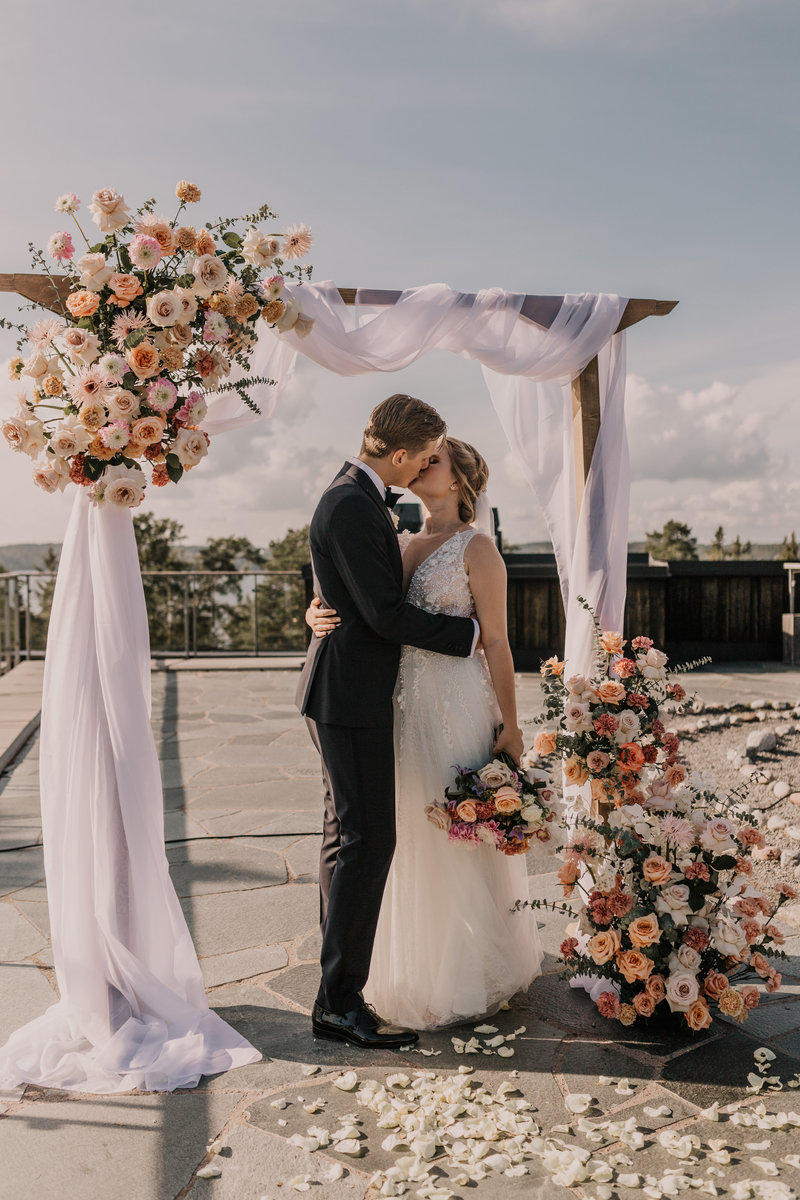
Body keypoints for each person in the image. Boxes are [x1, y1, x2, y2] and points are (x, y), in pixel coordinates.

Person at [308, 435, 542, 1030]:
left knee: (455, 834)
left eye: (431, 461)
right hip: (399, 704)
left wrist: (511, 724)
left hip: (456, 704)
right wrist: (314, 612)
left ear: (459, 479)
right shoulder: (402, 540)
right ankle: (404, 966)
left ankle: (465, 969)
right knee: (405, 835)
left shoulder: (479, 549)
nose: (416, 466)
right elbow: (366, 604)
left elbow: (496, 641)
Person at [297, 394, 479, 1049]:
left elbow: (342, 587)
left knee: (345, 841)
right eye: (425, 456)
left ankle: (336, 991)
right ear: (399, 455)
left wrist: (320, 608)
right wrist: (470, 633)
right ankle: (340, 1002)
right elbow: (381, 613)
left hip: (346, 691)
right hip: (349, 696)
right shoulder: (351, 503)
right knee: (368, 843)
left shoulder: (352, 497)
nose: (430, 464)